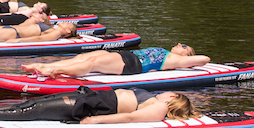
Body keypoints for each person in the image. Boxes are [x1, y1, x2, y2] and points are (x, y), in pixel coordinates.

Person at [0, 87, 196, 124]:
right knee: (38, 103)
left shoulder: (160, 108)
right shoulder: (156, 100)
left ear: (173, 97)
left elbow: (130, 119)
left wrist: (96, 120)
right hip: (92, 97)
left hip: (95, 107)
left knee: (39, 110)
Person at [19, 43, 210, 78]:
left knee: (93, 63)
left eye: (184, 46)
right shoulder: (170, 53)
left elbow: (205, 59)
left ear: (187, 56)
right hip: (128, 56)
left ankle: (54, 72)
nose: (179, 44)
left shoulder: (177, 60)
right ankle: (44, 66)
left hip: (134, 65)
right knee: (86, 56)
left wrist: (188, 57)